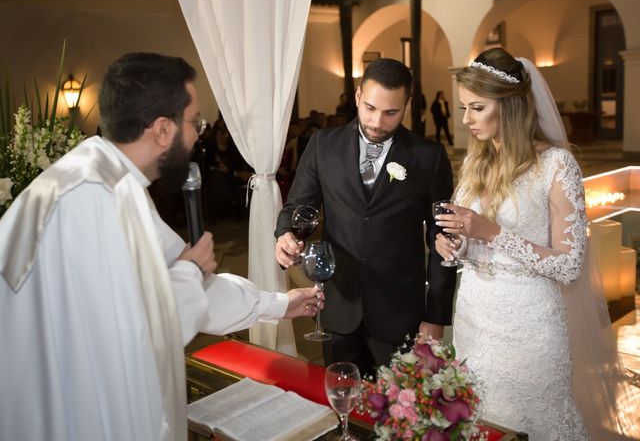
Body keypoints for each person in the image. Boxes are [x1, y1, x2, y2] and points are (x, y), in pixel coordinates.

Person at [0, 52, 324, 441]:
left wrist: (279, 304)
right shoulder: (100, 200)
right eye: (195, 122)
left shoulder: (96, 178)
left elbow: (183, 288)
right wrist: (191, 272)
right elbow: (134, 333)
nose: (198, 134)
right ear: (162, 130)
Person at [435, 47, 639, 439]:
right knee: (479, 420)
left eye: (477, 108)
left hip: (531, 324)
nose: (465, 120)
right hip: (474, 318)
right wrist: (455, 247)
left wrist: (492, 232)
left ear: (510, 106)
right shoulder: (476, 163)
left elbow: (569, 265)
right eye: (464, 108)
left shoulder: (557, 165)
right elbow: (471, 242)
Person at [275, 58, 457, 376]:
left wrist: (437, 316)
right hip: (338, 309)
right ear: (358, 96)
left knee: (401, 417)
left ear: (408, 106)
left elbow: (443, 240)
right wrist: (286, 235)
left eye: (391, 113)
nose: (376, 121)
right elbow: (297, 208)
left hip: (401, 313)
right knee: (342, 405)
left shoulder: (429, 157)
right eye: (370, 107)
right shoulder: (322, 145)